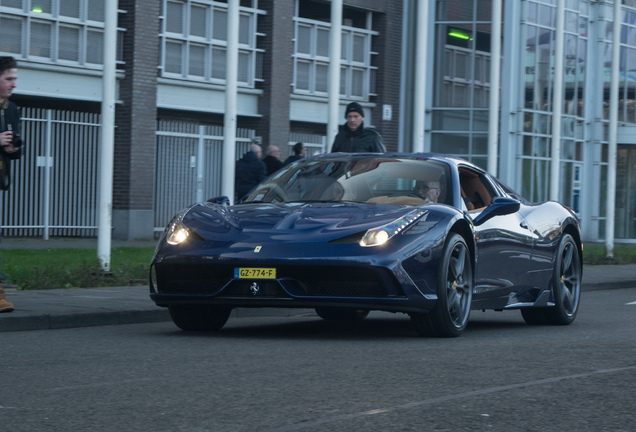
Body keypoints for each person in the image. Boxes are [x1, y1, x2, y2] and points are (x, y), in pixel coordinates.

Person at [0, 56, 23, 313]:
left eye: (14, 79)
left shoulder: (12, 109)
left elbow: (14, 150)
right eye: (9, 79)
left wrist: (13, 148)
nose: (13, 84)